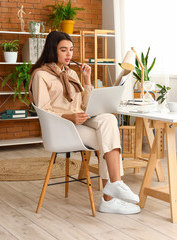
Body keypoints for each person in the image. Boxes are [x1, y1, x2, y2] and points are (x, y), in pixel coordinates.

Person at [29, 31, 140, 215]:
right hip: (61, 128)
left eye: (71, 50)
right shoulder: (41, 75)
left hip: (80, 121)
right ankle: (110, 196)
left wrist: (87, 80)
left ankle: (114, 185)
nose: (69, 54)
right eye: (63, 50)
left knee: (109, 119)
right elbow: (43, 109)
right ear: (52, 50)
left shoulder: (72, 73)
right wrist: (69, 117)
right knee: (108, 139)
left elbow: (84, 105)